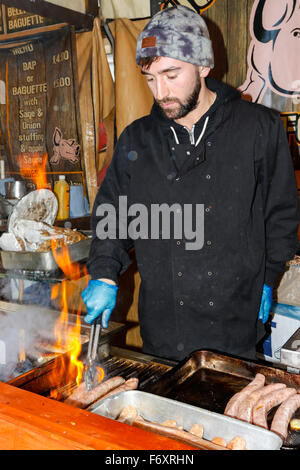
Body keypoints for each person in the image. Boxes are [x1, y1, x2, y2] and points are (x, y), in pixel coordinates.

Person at [82, 5, 299, 361]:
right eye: (150, 79)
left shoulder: (259, 128)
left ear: (203, 65)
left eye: (171, 74)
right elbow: (112, 215)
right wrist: (104, 273)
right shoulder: (137, 139)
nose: (161, 91)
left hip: (235, 324)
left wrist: (268, 277)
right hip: (165, 330)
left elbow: (281, 216)